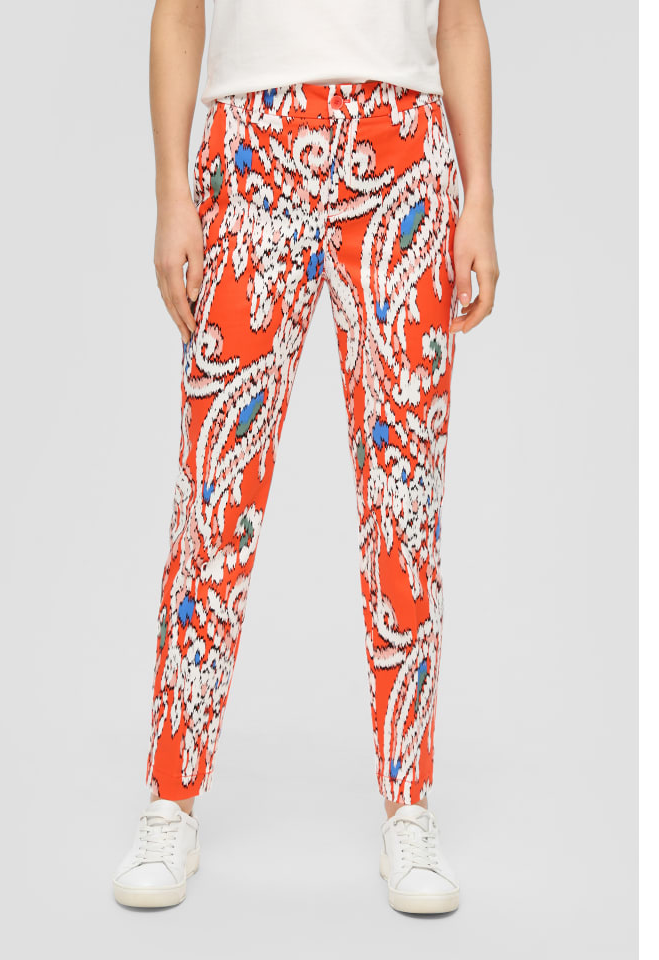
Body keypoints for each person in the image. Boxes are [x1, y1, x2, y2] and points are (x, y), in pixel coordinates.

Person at [112, 0, 499, 915]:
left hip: (404, 147)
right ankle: (170, 799)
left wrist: (480, 199)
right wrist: (172, 196)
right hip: (252, 146)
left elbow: (459, 21)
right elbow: (179, 14)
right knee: (215, 486)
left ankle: (410, 808)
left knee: (404, 496)